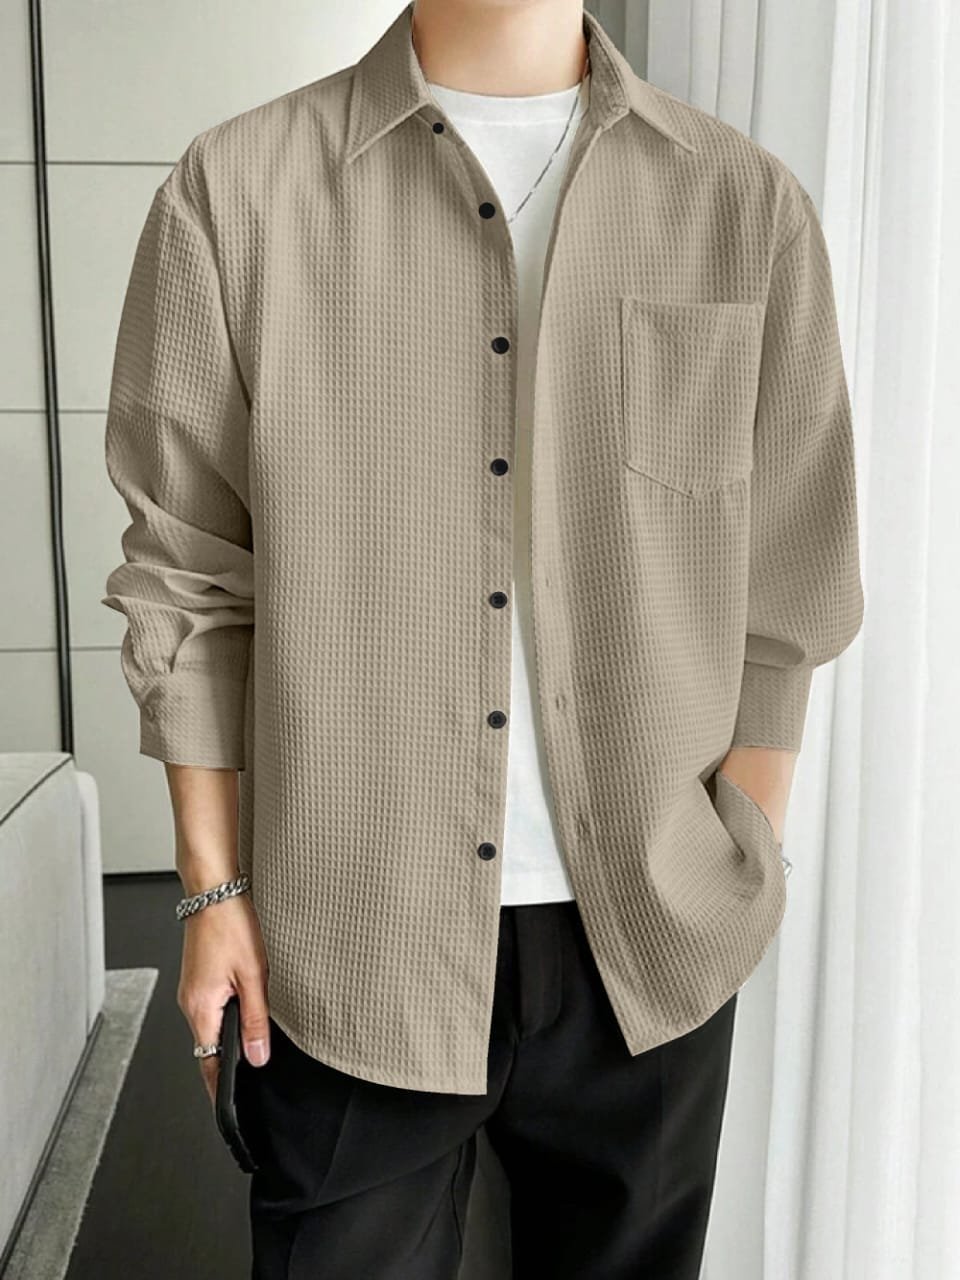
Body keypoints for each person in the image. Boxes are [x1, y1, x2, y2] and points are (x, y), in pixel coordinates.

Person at [102, 0, 864, 1275]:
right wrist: (213, 887)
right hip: (343, 931)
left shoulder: (744, 206)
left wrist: (742, 838)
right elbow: (187, 570)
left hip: (648, 933)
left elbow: (788, 579)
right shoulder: (233, 195)